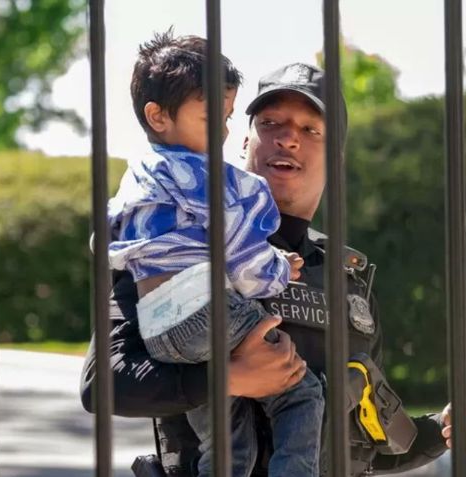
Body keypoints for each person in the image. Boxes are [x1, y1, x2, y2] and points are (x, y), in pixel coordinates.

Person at [81, 61, 466, 476]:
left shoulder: (348, 279)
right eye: (271, 123)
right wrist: (228, 380)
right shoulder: (178, 242)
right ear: (244, 142)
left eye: (311, 129)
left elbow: (364, 445)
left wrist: (440, 433)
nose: (288, 139)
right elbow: (104, 387)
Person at [107, 31, 324, 476]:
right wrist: (278, 269)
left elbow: (107, 239)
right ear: (157, 116)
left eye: (226, 118)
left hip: (158, 330)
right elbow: (245, 262)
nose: (222, 132)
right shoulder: (217, 181)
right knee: (302, 394)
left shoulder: (138, 176)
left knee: (228, 443)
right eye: (214, 118)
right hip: (202, 310)